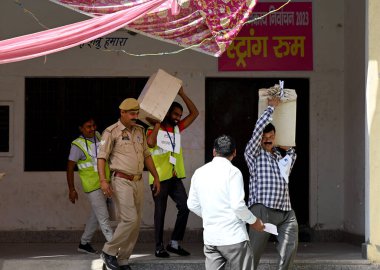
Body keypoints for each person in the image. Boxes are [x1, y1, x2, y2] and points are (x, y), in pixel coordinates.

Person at [97, 98, 161, 270]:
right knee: (129, 219)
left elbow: (147, 155)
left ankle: (123, 259)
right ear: (122, 113)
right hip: (121, 180)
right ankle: (109, 251)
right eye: (132, 113)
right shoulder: (111, 132)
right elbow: (101, 158)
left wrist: (156, 176)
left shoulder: (140, 130)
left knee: (136, 222)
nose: (135, 116)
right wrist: (103, 180)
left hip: (138, 180)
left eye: (137, 113)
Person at [187, 135, 265, 270]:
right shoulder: (234, 172)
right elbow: (238, 206)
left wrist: (210, 215)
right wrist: (254, 221)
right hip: (234, 238)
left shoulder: (199, 172)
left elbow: (192, 205)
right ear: (234, 152)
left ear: (214, 152)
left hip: (211, 239)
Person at [244, 97, 298, 270]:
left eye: (271, 137)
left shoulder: (279, 158)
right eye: (264, 137)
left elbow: (293, 155)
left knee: (289, 248)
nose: (267, 140)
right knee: (254, 253)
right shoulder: (253, 155)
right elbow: (257, 131)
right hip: (262, 210)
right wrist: (270, 109)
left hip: (285, 211)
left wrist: (285, 146)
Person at [146, 86, 199, 258]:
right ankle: (159, 246)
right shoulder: (153, 128)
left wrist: (182, 93)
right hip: (158, 177)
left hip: (174, 176)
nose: (178, 118)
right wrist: (156, 125)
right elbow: (151, 143)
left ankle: (174, 243)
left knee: (185, 206)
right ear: (167, 113)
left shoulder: (177, 128)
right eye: (175, 114)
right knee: (160, 211)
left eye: (179, 115)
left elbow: (195, 113)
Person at [66, 115, 113, 254]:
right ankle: (114, 249)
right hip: (92, 186)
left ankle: (84, 243)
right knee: (104, 217)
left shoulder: (98, 136)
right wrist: (71, 189)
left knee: (96, 215)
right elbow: (69, 168)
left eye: (93, 125)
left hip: (104, 182)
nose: (92, 129)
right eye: (88, 127)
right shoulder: (77, 145)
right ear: (81, 128)